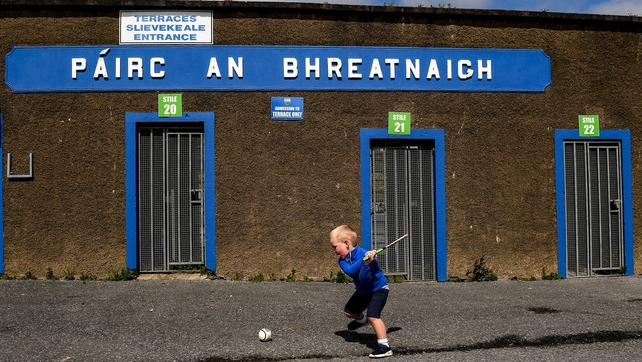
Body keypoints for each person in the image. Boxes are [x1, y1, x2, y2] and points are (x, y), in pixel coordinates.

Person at [329, 225, 392, 358]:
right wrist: (364, 260)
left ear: (347, 243)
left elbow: (364, 279)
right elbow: (351, 271)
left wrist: (367, 263)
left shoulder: (369, 258)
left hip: (378, 289)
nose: (334, 250)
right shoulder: (342, 260)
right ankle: (363, 321)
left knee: (373, 316)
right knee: (349, 312)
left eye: (335, 247)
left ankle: (384, 346)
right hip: (364, 291)